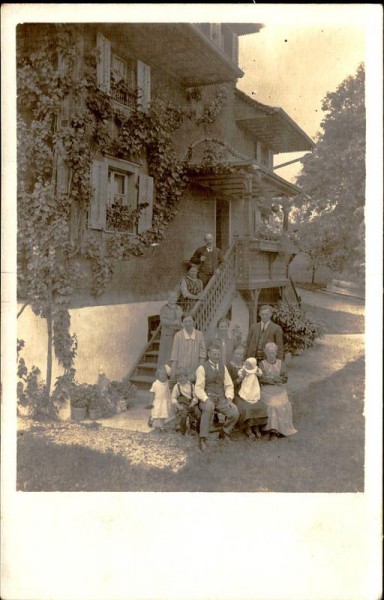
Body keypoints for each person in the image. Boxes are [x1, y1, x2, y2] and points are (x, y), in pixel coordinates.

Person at [195, 344, 239, 451]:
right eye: (214, 354)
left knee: (234, 412)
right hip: (207, 397)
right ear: (209, 354)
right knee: (208, 408)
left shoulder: (223, 367)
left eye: (218, 354)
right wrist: (206, 399)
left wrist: (229, 399)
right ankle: (203, 438)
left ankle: (224, 432)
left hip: (220, 398)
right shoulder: (202, 368)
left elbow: (228, 385)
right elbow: (199, 388)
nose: (216, 356)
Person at [259, 342, 297, 439]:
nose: (271, 355)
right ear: (266, 353)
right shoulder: (262, 364)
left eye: (273, 352)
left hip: (279, 389)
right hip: (266, 390)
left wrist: (272, 378)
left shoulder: (280, 363)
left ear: (276, 353)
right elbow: (261, 378)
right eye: (269, 352)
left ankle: (276, 431)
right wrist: (274, 379)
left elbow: (284, 378)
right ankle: (269, 430)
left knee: (283, 404)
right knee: (272, 405)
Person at [236, 357, 268, 439]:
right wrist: (242, 374)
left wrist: (258, 373)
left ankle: (256, 427)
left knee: (258, 406)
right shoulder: (244, 369)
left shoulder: (256, 369)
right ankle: (248, 428)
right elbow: (240, 373)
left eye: (249, 365)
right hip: (246, 386)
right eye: (246, 364)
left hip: (254, 386)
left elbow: (261, 374)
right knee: (248, 406)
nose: (247, 366)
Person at [170, 314, 206, 383]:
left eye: (190, 321)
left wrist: (199, 369)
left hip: (195, 368)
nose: (187, 324)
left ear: (193, 322)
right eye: (185, 322)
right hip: (181, 370)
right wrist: (173, 372)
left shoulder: (200, 335)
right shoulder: (178, 336)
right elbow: (174, 355)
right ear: (182, 323)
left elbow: (202, 354)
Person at [171, 367, 201, 435]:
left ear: (186, 377)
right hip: (182, 404)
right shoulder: (177, 386)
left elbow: (195, 397)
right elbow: (173, 398)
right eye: (178, 377)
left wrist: (193, 403)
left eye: (182, 377)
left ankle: (197, 428)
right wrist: (178, 406)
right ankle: (183, 430)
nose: (180, 379)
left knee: (198, 414)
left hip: (191, 403)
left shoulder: (191, 385)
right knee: (183, 416)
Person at [158, 291, 183, 367]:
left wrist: (182, 325)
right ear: (168, 298)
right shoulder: (164, 309)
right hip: (167, 335)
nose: (173, 299)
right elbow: (163, 321)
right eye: (171, 297)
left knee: (177, 354)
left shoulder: (179, 308)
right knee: (167, 355)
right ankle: (164, 372)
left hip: (177, 334)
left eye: (174, 297)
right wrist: (173, 322)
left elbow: (180, 320)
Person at [148, 366, 174, 430]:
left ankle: (161, 425)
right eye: (161, 374)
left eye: (164, 375)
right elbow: (152, 393)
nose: (162, 376)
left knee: (164, 414)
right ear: (158, 375)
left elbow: (168, 392)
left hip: (165, 401)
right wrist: (150, 402)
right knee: (156, 413)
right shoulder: (155, 384)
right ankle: (151, 420)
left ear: (166, 376)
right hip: (157, 401)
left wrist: (170, 401)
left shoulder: (167, 383)